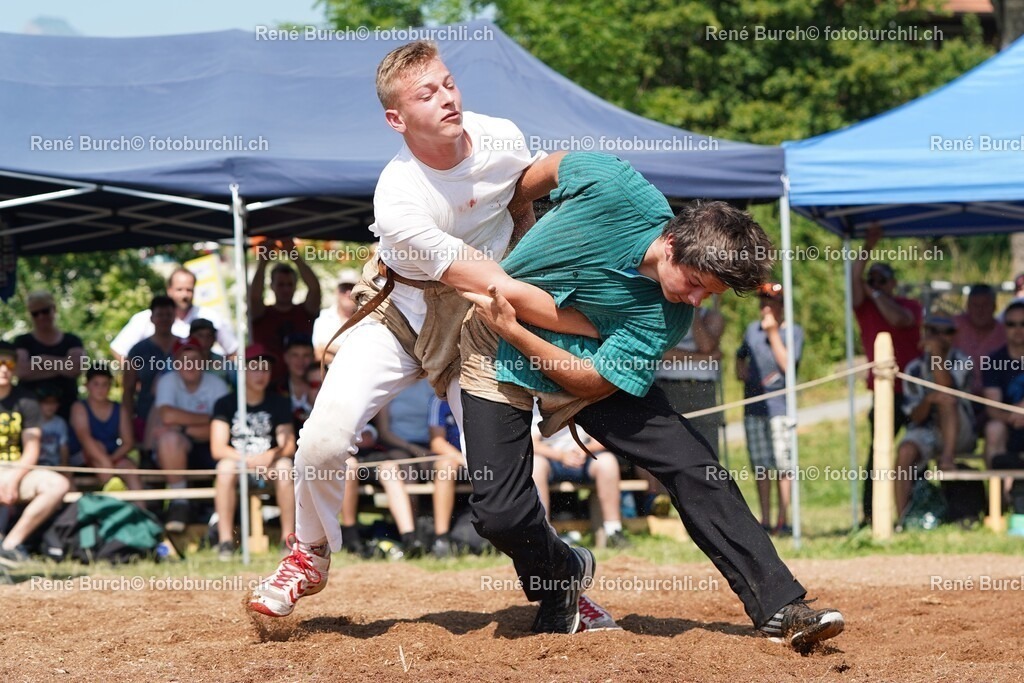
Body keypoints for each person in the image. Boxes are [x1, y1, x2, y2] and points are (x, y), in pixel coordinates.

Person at [248, 40, 598, 617]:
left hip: (478, 320)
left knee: (502, 478)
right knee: (323, 438)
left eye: (449, 83)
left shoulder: (503, 136)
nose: (447, 98)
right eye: (426, 93)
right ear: (397, 119)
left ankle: (560, 582)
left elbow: (520, 201)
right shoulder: (398, 197)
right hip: (403, 312)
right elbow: (480, 275)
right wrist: (571, 322)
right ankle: (308, 553)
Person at [458, 150, 843, 648]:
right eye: (698, 284)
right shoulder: (617, 187)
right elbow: (554, 167)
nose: (697, 302)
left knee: (695, 467)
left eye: (712, 294)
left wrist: (519, 328)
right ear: (673, 243)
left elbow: (593, 384)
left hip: (583, 367)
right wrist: (517, 214)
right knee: (498, 514)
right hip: (492, 348)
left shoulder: (671, 316)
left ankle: (780, 607)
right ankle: (562, 573)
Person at [852, 225, 923, 524]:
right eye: (873, 280)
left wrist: (877, 292)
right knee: (877, 455)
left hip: (914, 393)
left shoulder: (909, 305)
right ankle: (871, 517)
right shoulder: (865, 308)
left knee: (917, 451)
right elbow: (854, 277)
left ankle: (916, 512)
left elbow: (899, 319)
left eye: (883, 280)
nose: (875, 284)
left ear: (894, 283)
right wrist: (868, 246)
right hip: (885, 394)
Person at [211, 345, 296, 560]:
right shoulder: (225, 403)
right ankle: (225, 541)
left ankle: (289, 539)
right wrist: (248, 460)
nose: (262, 375)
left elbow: (288, 444)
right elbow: (218, 448)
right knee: (224, 468)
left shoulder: (279, 402)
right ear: (243, 371)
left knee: (286, 467)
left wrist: (270, 455)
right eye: (255, 368)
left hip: (270, 468)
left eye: (265, 369)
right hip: (238, 465)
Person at [736, 283, 803, 535]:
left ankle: (782, 521)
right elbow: (740, 355)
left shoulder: (794, 332)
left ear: (782, 306)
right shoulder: (751, 330)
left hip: (781, 408)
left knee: (783, 465)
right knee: (761, 466)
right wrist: (739, 368)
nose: (765, 306)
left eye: (771, 301)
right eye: (762, 301)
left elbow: (788, 367)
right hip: (754, 408)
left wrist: (773, 333)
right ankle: (764, 520)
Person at [0, 341, 71, 568]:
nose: (4, 368)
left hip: (16, 471)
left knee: (57, 484)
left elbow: (32, 448)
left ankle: (10, 546)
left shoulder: (27, 400)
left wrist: (13, 479)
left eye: (9, 362)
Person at [896, 314, 976, 517]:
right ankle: (902, 519)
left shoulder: (963, 361)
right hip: (926, 430)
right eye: (933, 331)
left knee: (946, 400)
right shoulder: (913, 368)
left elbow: (946, 386)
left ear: (954, 335)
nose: (939, 337)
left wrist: (936, 354)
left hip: (960, 432)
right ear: (924, 333)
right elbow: (914, 417)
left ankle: (947, 459)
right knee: (905, 451)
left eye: (946, 332)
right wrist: (928, 400)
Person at [153, 337, 229, 532]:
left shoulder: (217, 384)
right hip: (182, 446)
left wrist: (182, 426)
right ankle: (180, 503)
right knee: (168, 440)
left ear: (203, 360)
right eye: (184, 359)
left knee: (173, 436)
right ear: (176, 362)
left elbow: (222, 426)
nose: (190, 364)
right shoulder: (167, 381)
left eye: (195, 358)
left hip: (211, 446)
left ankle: (221, 518)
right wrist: (207, 419)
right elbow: (166, 415)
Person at [530, 419, 627, 547]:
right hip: (551, 459)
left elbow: (605, 438)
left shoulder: (585, 399)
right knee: (535, 465)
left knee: (608, 462)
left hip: (584, 456)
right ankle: (543, 535)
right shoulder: (538, 405)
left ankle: (614, 531)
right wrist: (561, 456)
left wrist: (586, 449)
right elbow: (532, 443)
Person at [111, 268, 238, 362]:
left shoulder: (210, 316)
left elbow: (233, 351)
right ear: (169, 290)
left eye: (189, 290)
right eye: (179, 289)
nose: (184, 295)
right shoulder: (144, 318)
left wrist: (221, 374)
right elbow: (118, 349)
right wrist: (135, 377)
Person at [249, 241, 321, 383]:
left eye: (289, 284)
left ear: (295, 286)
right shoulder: (262, 314)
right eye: (281, 284)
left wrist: (295, 257)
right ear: (272, 286)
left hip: (302, 383)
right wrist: (263, 262)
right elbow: (254, 297)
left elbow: (315, 290)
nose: (285, 289)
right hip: (267, 384)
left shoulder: (304, 311)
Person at [983, 301, 1024, 535]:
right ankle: (996, 504)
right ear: (1004, 327)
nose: (1018, 329)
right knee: (993, 429)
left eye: (1023, 324)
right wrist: (1015, 415)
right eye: (1011, 324)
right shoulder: (994, 360)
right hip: (1010, 427)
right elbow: (991, 406)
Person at [14, 290, 84, 421]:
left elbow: (75, 369)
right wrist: (61, 367)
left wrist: (41, 360)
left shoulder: (72, 340)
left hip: (66, 412)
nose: (41, 317)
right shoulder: (22, 341)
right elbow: (21, 371)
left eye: (45, 311)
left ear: (54, 309)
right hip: (30, 415)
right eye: (35, 313)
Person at [70, 367, 143, 492]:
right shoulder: (79, 407)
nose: (100, 389)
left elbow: (128, 442)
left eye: (105, 384)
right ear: (87, 385)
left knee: (130, 469)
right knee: (99, 452)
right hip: (83, 456)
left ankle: (140, 508)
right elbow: (85, 438)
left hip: (113, 455)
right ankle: (106, 504)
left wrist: (111, 459)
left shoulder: (119, 409)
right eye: (96, 384)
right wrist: (105, 462)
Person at [122, 295, 180, 451]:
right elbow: (128, 390)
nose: (164, 319)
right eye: (160, 315)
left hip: (180, 413)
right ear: (152, 317)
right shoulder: (138, 350)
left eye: (168, 315)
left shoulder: (184, 347)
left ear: (174, 316)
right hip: (145, 414)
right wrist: (127, 423)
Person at [427, 395, 467, 557]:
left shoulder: (484, 396)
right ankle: (441, 540)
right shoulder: (440, 401)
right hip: (456, 459)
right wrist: (463, 460)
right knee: (446, 467)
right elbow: (437, 443)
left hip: (481, 459)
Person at [312, 269, 360, 365]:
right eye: (344, 288)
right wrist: (355, 356)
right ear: (337, 291)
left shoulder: (369, 319)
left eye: (352, 288)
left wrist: (331, 349)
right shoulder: (324, 317)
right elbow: (319, 354)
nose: (348, 292)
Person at [277, 333, 316, 433]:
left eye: (306, 355)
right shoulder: (276, 389)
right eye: (295, 355)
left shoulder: (322, 387)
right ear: (286, 357)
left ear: (313, 357)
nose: (300, 361)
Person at [36, 384, 72, 470]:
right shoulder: (31, 421)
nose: (50, 406)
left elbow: (64, 447)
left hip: (55, 465)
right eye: (46, 402)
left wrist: (64, 465)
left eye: (53, 402)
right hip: (35, 465)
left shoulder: (60, 423)